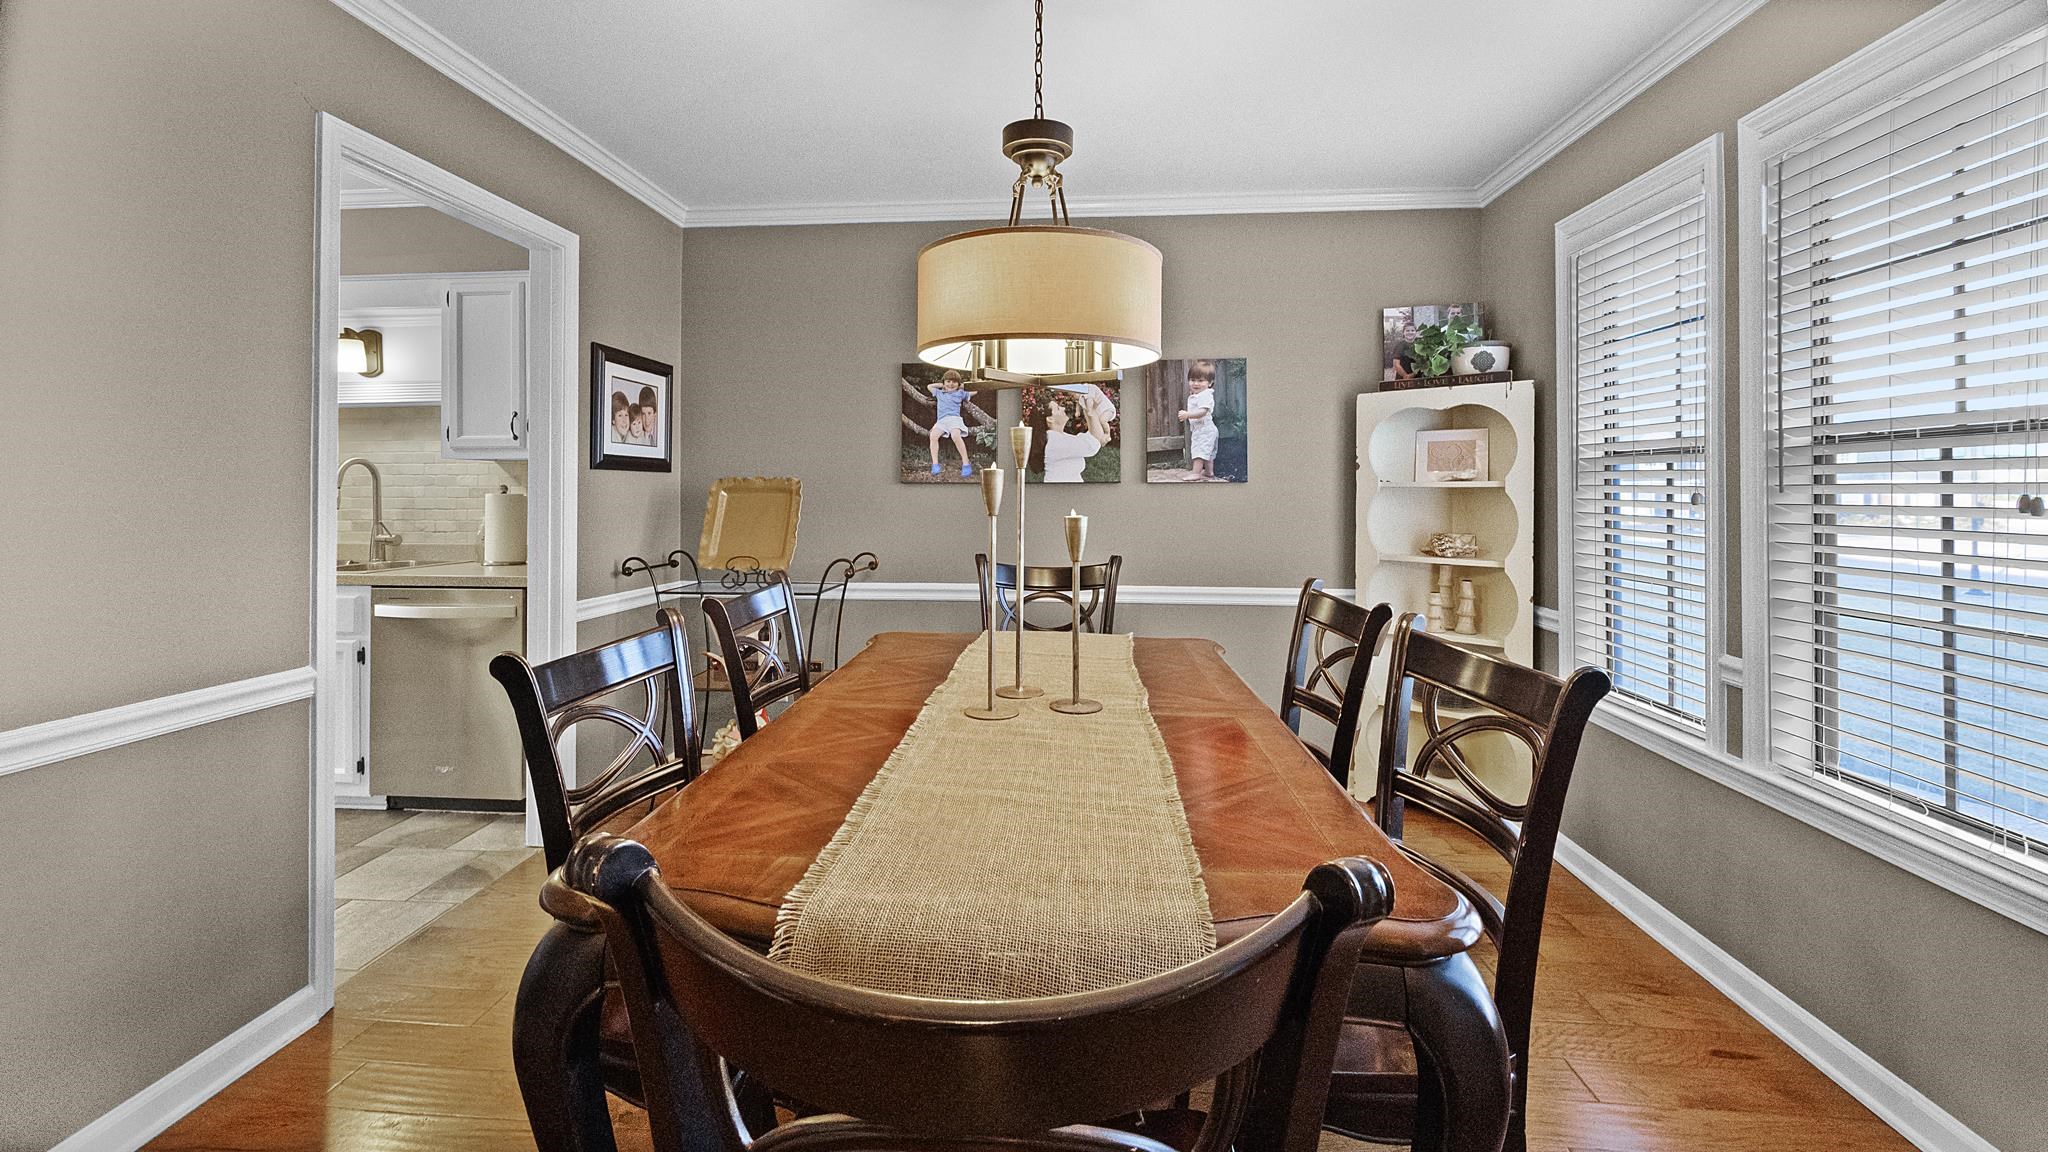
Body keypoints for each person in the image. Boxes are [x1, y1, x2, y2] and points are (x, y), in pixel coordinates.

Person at [1030, 384, 1114, 482]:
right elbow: (1093, 445)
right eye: (1058, 408)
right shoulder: (1056, 442)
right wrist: (1091, 409)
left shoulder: (1060, 438)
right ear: (1050, 419)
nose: (1063, 408)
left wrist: (1087, 406)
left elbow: (1092, 436)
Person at [926, 370, 975, 478]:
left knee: (955, 436)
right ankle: (935, 464)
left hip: (954, 419)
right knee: (933, 436)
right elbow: (929, 386)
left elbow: (976, 391)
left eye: (954, 382)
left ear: (958, 384)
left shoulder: (960, 393)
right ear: (944, 383)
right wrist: (941, 385)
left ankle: (966, 464)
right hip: (942, 421)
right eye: (948, 381)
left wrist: (962, 386)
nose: (951, 384)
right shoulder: (939, 393)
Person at [1177, 359, 1220, 481]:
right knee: (1208, 452)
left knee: (1199, 451)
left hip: (1204, 430)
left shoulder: (1205, 395)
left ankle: (1196, 473)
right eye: (1192, 380)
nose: (1195, 383)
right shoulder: (1199, 395)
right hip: (1206, 430)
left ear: (1210, 383)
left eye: (1200, 380)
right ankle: (1209, 472)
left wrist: (1188, 414)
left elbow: (1203, 412)